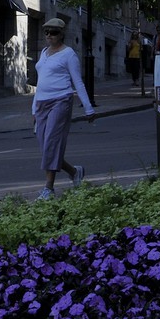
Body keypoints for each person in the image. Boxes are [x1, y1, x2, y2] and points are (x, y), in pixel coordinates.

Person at [32, 16, 95, 199]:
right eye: (46, 32)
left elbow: (78, 82)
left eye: (53, 32)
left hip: (61, 101)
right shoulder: (44, 52)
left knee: (52, 143)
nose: (49, 35)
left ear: (61, 34)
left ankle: (49, 189)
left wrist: (88, 108)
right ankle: (74, 172)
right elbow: (40, 82)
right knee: (46, 148)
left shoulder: (69, 55)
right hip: (42, 103)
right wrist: (33, 110)